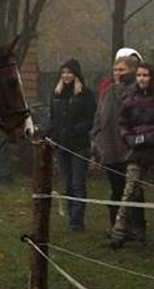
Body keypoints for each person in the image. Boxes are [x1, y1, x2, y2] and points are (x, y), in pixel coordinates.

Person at [92, 55, 139, 232]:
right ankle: (116, 228)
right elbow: (99, 115)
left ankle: (134, 228)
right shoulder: (107, 90)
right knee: (115, 189)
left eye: (122, 70)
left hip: (128, 148)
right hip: (109, 147)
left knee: (132, 191)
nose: (117, 73)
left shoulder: (134, 90)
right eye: (115, 70)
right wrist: (96, 137)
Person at [48, 59, 97, 231]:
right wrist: (51, 134)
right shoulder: (56, 94)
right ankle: (71, 217)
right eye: (63, 72)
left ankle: (77, 221)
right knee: (67, 183)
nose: (66, 75)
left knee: (78, 184)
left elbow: (91, 119)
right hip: (61, 146)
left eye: (69, 72)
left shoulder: (86, 94)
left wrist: (77, 130)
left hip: (79, 146)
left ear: (76, 74)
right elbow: (53, 119)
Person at [110, 63, 154, 248]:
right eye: (139, 75)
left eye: (145, 75)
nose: (142, 78)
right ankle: (119, 233)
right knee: (130, 191)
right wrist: (128, 138)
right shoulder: (130, 99)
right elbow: (123, 123)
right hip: (136, 151)